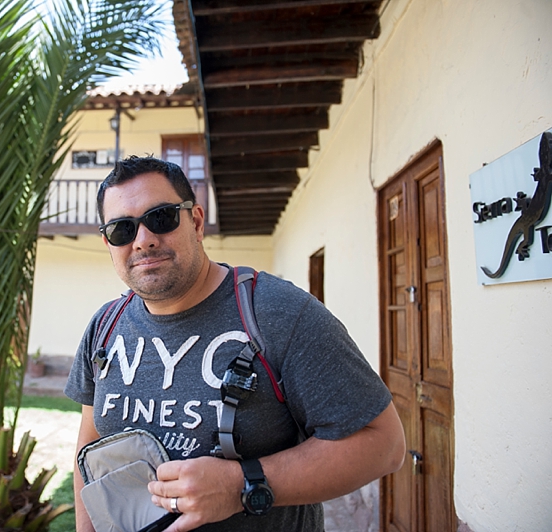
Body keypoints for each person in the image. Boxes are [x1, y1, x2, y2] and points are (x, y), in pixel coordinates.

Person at [65, 156, 406, 532]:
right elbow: (89, 447)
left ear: (195, 221)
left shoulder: (279, 313)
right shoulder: (105, 326)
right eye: (122, 229)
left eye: (161, 218)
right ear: (108, 242)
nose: (143, 240)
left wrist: (241, 484)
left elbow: (384, 444)